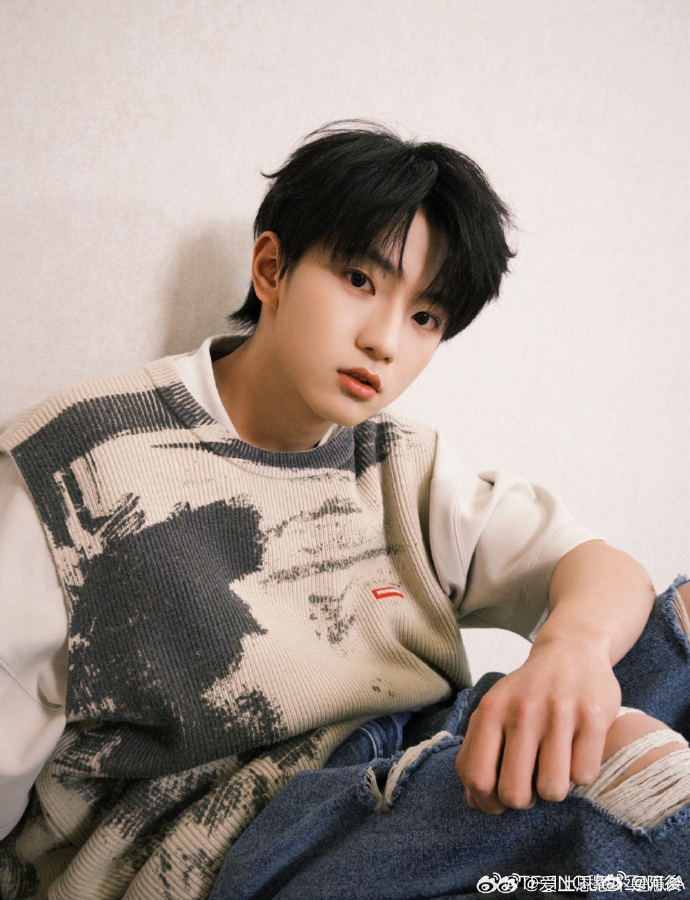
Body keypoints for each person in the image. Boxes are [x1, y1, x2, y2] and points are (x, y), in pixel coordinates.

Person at [0, 122, 687, 900]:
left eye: (425, 317)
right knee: (635, 776)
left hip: (410, 780)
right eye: (360, 280)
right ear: (272, 269)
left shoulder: (399, 463)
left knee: (678, 635)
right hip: (231, 856)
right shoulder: (69, 471)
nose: (385, 341)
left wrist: (572, 649)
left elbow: (597, 566)